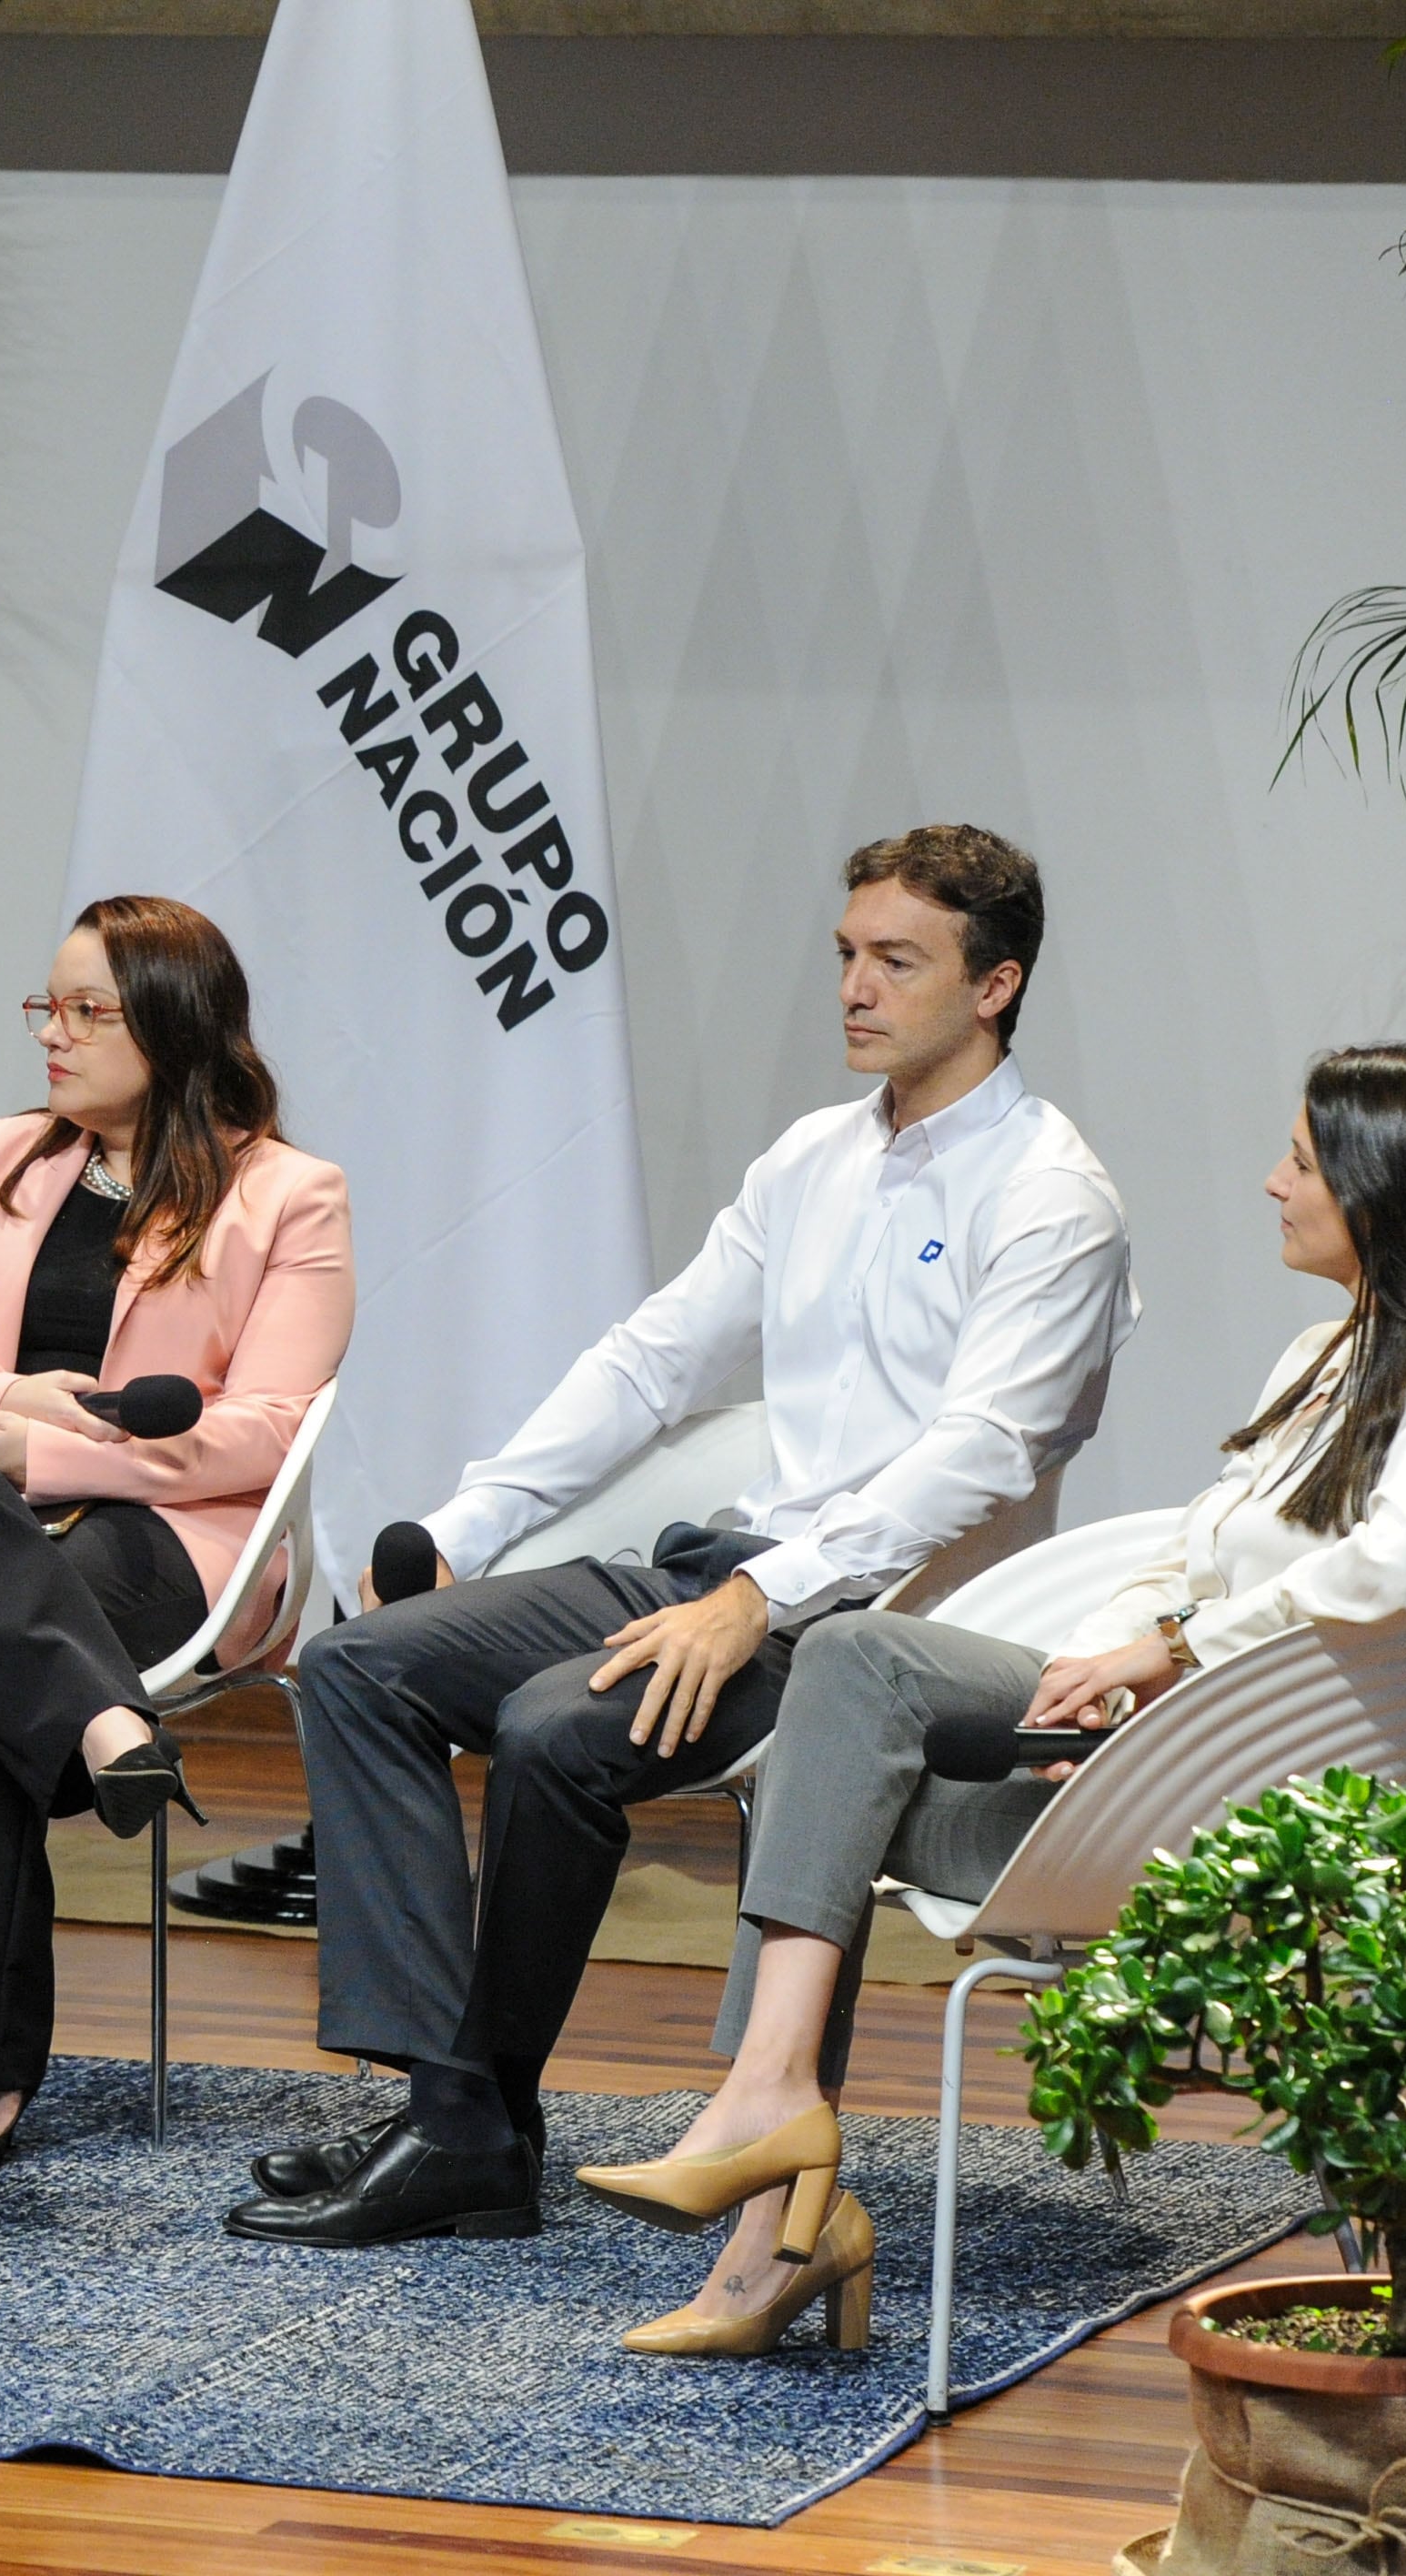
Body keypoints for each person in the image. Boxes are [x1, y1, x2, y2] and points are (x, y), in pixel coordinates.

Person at [575, 1041, 1406, 2355]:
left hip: (1242, 1804)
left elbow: (1387, 1567)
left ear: (1382, 1186)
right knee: (841, 1686)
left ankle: (770, 2212)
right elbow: (1185, 1550)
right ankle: (767, 2147)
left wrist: (1169, 1652)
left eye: (1299, 1159)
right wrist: (1103, 1674)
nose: (1270, 1183)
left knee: (823, 1761)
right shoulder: (1321, 1356)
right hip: (1163, 1754)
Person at [230, 824, 1136, 2249]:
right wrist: (474, 1518)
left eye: (897, 961)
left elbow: (983, 1452)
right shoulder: (814, 1158)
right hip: (724, 1561)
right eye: (847, 954)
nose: (854, 987)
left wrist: (761, 1602)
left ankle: (466, 2131)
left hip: (874, 1627)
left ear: (995, 985)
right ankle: (452, 2113)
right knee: (361, 1667)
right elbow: (656, 1360)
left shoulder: (1049, 1195)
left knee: (552, 1729)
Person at [0, 894, 350, 2177]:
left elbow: (265, 1431)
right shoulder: (7, 1157)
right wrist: (6, 1404)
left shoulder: (288, 1196)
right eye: (43, 1009)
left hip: (159, 1537)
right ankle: (99, 1722)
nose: (50, 1037)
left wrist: (48, 1455)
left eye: (84, 1013)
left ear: (172, 1029)